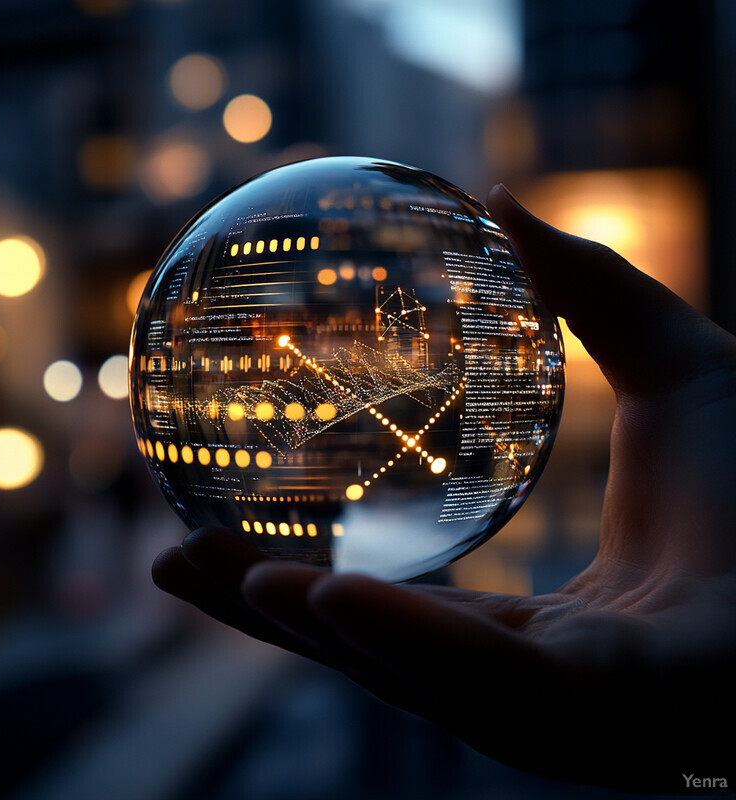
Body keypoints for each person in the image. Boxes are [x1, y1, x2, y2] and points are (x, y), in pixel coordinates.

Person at [152, 185, 736, 793]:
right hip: (389, 537)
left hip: (402, 536)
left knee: (395, 668)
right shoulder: (378, 384)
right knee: (386, 663)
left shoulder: (418, 380)